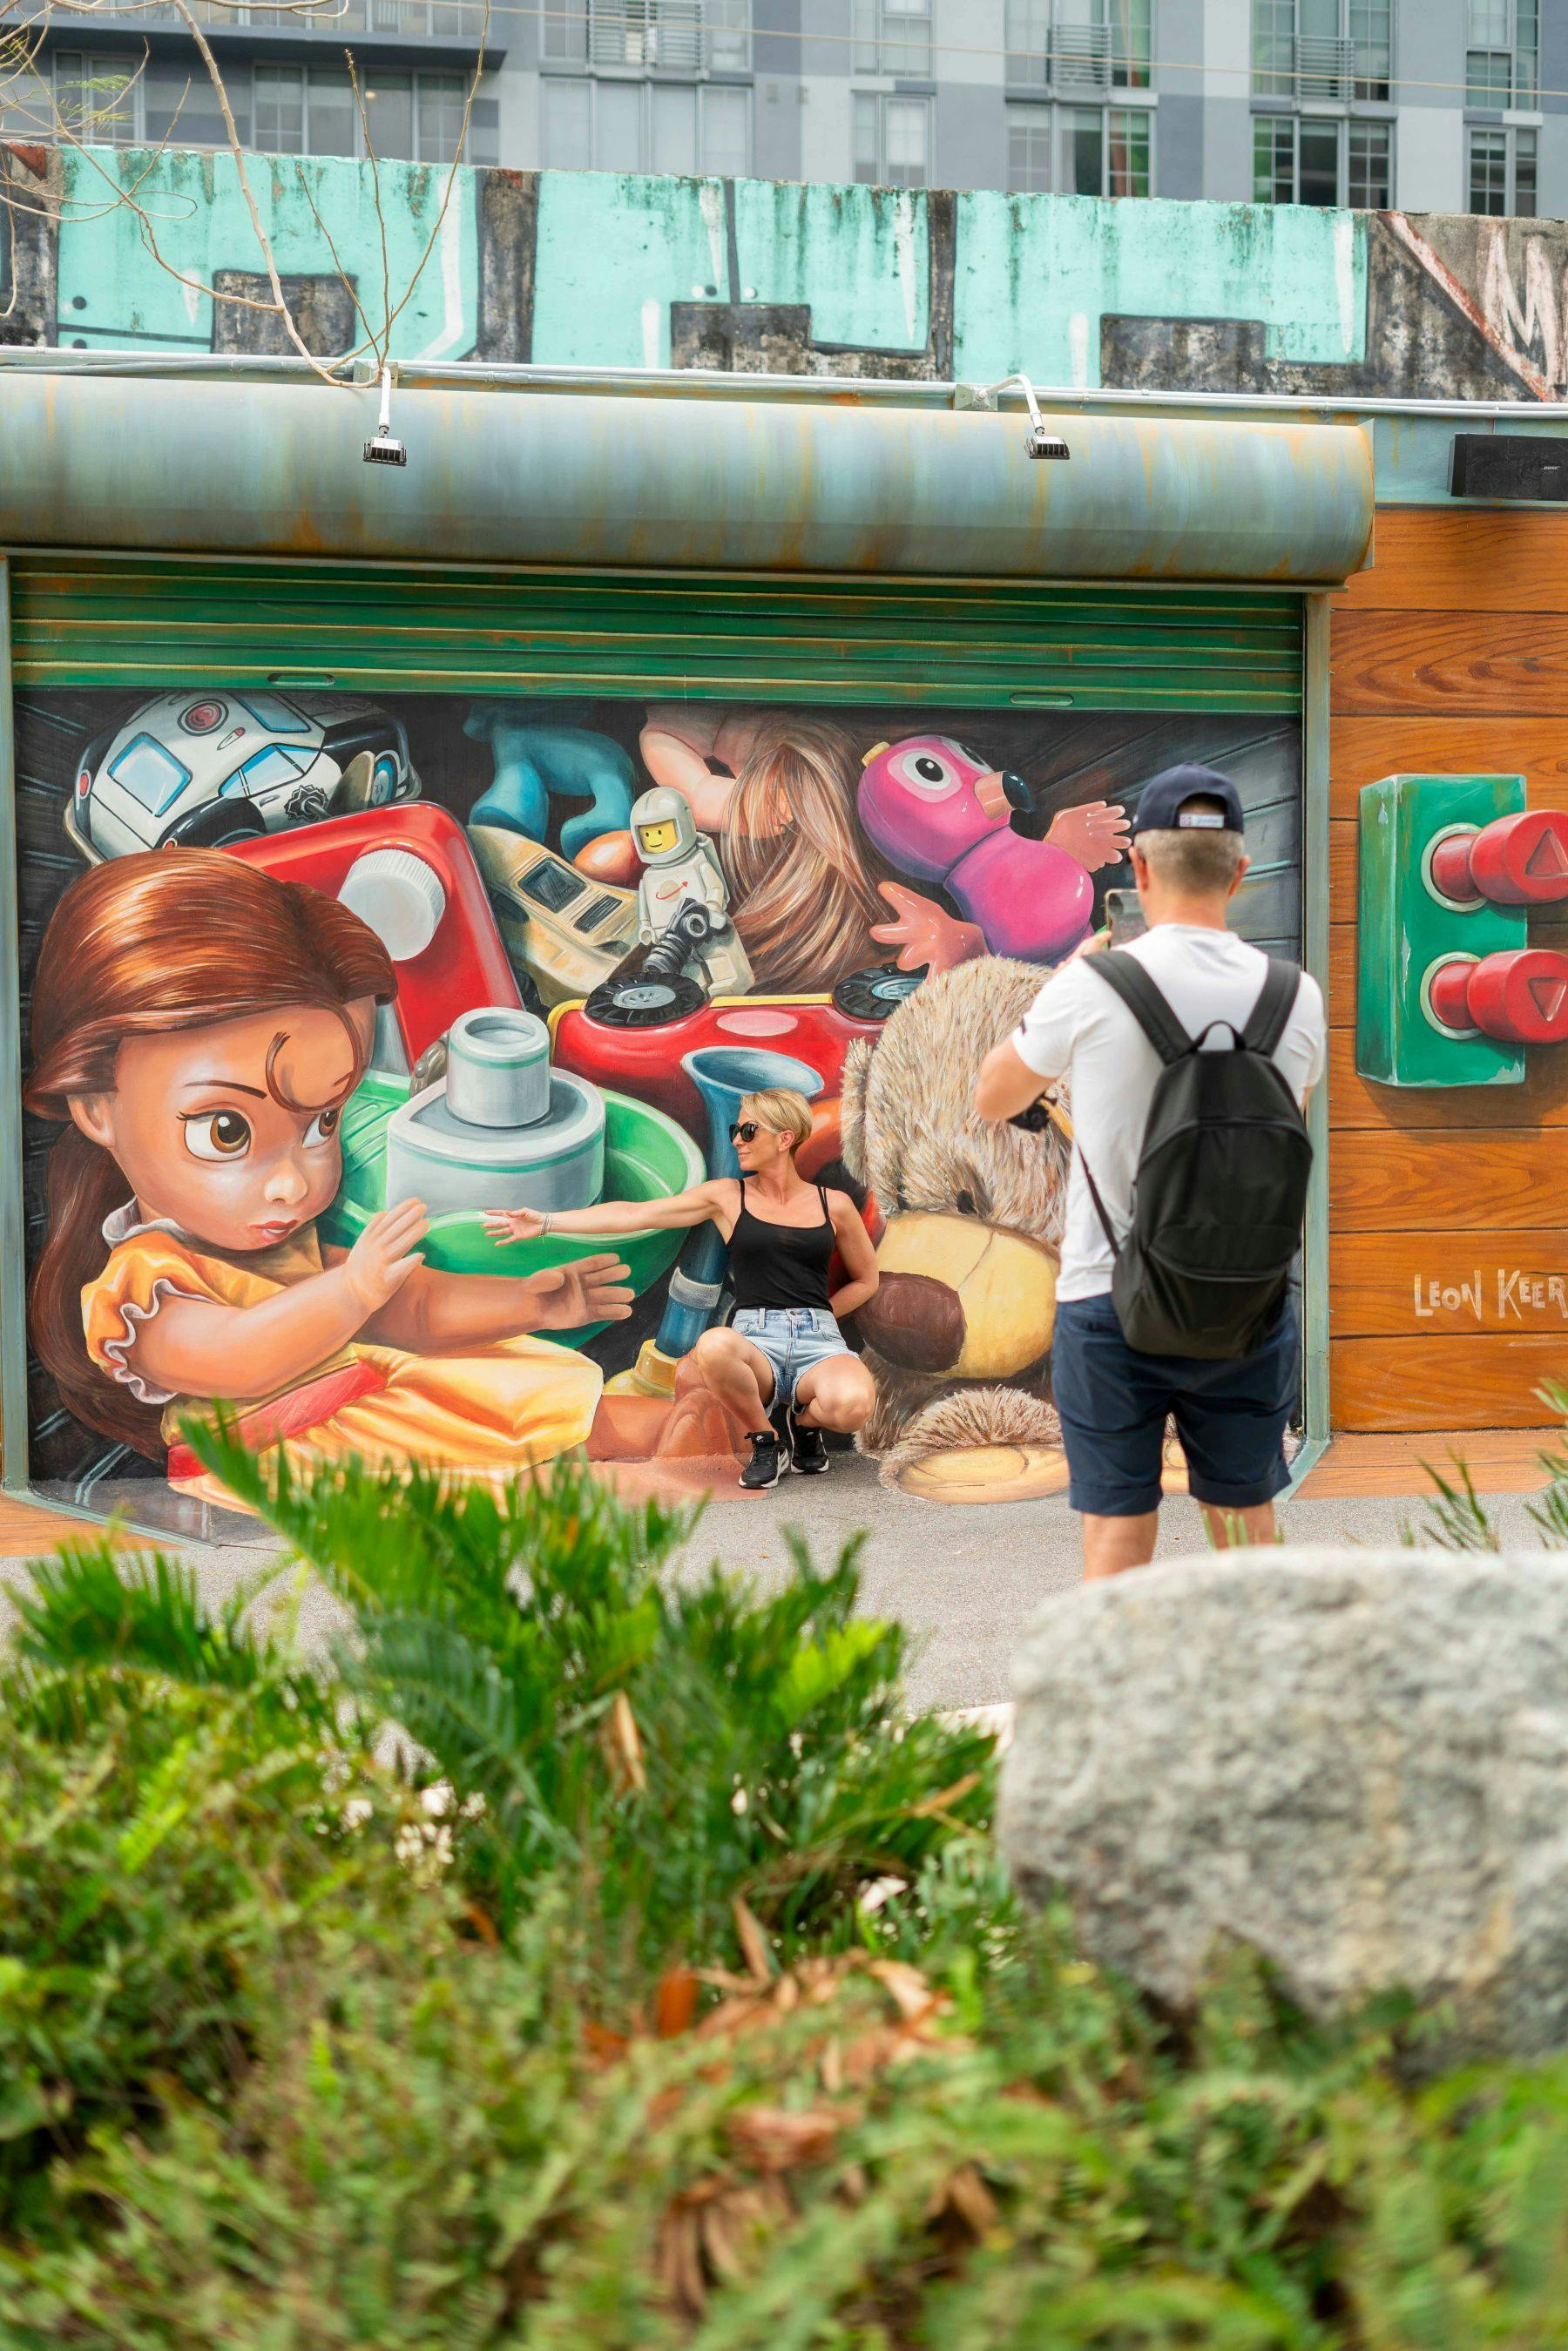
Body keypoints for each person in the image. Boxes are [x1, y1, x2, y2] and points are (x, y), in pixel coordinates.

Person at [25, 850, 634, 1508]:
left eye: (321, 1123)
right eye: (226, 1132)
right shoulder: (141, 1286)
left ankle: (682, 1433)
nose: (293, 1182)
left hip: (373, 1399)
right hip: (292, 1454)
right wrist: (350, 1290)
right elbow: (238, 1357)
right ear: (97, 1107)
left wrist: (526, 1302)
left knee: (538, 1400)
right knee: (525, 1481)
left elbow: (410, 1307)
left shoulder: (284, 1247)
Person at [972, 764, 1326, 1579]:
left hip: (1109, 1298)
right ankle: (1249, 1661)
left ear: (1137, 868)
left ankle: (1120, 1669)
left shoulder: (1093, 983)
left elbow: (994, 1096)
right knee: (1245, 1528)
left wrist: (1062, 983)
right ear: (1239, 872)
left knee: (1117, 1539)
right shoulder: (1295, 995)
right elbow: (1282, 1124)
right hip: (1245, 1296)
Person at [485, 1086, 879, 1490]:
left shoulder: (834, 1204)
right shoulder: (727, 1197)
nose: (736, 1141)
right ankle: (767, 1441)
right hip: (755, 1341)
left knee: (852, 1406)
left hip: (818, 1340)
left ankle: (804, 1424)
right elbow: (636, 1215)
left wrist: (820, 1315)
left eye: (748, 1131)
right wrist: (546, 1222)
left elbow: (866, 1281)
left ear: (784, 1139)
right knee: (713, 1345)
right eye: (734, 1130)